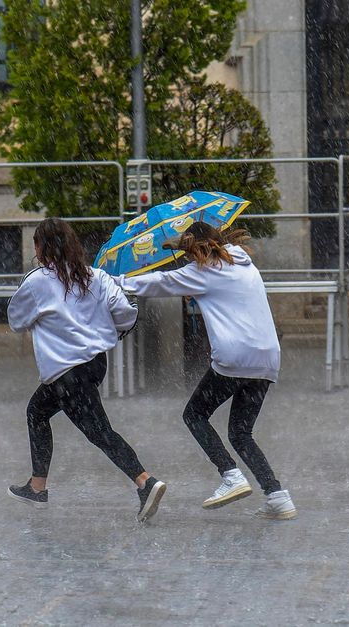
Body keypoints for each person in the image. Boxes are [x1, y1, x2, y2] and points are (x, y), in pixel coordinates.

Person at [118, 221, 295, 520]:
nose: (187, 259)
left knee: (194, 414)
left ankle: (231, 476)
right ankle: (277, 496)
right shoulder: (245, 266)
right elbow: (226, 298)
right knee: (241, 433)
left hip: (235, 357)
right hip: (266, 358)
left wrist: (113, 281)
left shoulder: (203, 272)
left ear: (195, 248)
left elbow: (157, 283)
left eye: (187, 253)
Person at [6, 217, 166, 522]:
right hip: (93, 366)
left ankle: (145, 482)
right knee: (37, 411)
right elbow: (125, 315)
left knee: (100, 432)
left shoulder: (38, 281)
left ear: (41, 248)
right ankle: (37, 486)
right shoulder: (97, 277)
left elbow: (16, 320)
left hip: (67, 372)